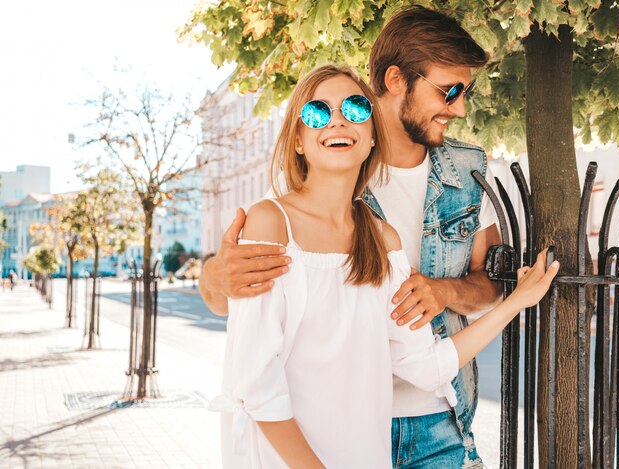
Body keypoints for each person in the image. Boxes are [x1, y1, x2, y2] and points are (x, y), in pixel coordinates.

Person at [210, 65, 558, 468]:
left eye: (356, 108)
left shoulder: (381, 240)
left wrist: (517, 301)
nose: (337, 119)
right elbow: (255, 384)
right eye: (317, 112)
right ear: (299, 140)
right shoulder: (270, 222)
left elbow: (425, 366)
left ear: (372, 135)